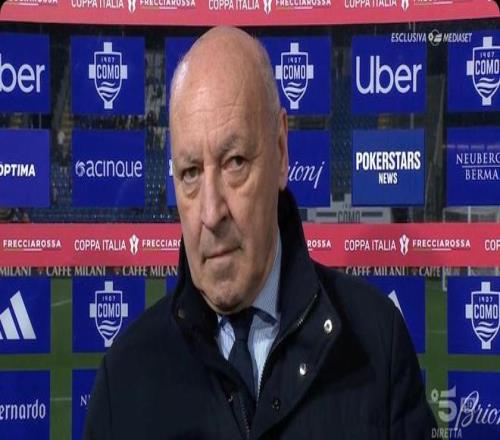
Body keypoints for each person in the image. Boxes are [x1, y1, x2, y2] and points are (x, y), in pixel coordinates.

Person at [85, 27, 437, 439]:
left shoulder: (378, 343)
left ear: (281, 151)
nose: (211, 213)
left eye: (234, 162)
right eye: (191, 173)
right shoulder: (123, 380)